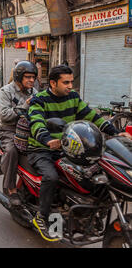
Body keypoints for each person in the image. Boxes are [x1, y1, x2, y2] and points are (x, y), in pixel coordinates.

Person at [27, 65, 131, 241]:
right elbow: (36, 122)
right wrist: (46, 140)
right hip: (42, 149)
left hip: (70, 148)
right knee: (51, 177)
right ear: (53, 83)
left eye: (71, 82)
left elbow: (92, 116)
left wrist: (115, 132)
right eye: (65, 82)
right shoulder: (39, 100)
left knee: (94, 173)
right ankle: (42, 218)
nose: (70, 86)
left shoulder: (73, 98)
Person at [0, 61, 38, 206]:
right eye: (28, 77)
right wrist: (25, 105)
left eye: (33, 77)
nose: (31, 80)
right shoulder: (5, 91)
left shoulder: (34, 92)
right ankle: (12, 189)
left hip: (29, 130)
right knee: (12, 150)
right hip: (9, 130)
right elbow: (4, 116)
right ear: (19, 77)